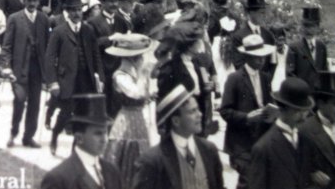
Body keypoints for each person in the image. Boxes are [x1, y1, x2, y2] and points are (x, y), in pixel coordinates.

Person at [44, 0, 105, 156]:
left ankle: (75, 149)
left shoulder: (88, 30)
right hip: (67, 80)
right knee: (65, 113)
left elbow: (96, 55)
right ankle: (55, 136)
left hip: (86, 79)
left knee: (83, 115)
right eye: (73, 10)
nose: (76, 13)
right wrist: (53, 82)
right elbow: (49, 58)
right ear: (67, 12)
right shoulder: (59, 31)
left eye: (79, 10)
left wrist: (100, 77)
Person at [132, 85, 225, 189]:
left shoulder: (209, 150)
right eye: (192, 111)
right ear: (176, 121)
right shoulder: (152, 161)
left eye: (198, 109)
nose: (199, 114)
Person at [219, 34, 277, 189]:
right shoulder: (235, 78)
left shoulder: (265, 77)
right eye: (257, 57)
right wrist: (246, 118)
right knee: (248, 180)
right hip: (241, 143)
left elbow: (267, 103)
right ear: (246, 57)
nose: (261, 60)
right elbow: (225, 111)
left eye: (263, 57)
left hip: (261, 139)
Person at [103, 33, 157, 189]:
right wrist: (143, 73)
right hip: (126, 120)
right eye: (139, 57)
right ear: (132, 59)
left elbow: (143, 94)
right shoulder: (120, 76)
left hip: (139, 118)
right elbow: (136, 93)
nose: (142, 60)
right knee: (126, 156)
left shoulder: (134, 75)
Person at [0, 0, 50, 148]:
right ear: (24, 0)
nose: (32, 3)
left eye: (35, 0)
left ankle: (28, 137)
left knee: (35, 103)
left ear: (38, 1)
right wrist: (6, 66)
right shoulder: (14, 18)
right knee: (20, 100)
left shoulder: (43, 19)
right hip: (19, 68)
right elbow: (6, 46)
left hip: (37, 68)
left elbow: (48, 46)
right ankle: (13, 133)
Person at [40, 93, 122, 189]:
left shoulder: (112, 172)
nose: (104, 139)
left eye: (106, 133)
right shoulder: (59, 178)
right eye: (98, 133)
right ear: (79, 138)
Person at [248, 77, 314, 189]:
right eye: (297, 111)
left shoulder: (305, 140)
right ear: (283, 109)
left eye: (306, 111)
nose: (303, 117)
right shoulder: (264, 147)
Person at [88, 0, 131, 117]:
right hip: (102, 68)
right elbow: (92, 45)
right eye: (110, 1)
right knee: (103, 103)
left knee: (117, 102)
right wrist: (110, 39)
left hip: (118, 67)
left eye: (116, 1)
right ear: (103, 2)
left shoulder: (121, 21)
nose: (114, 4)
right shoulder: (93, 22)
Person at [230, 0, 275, 72]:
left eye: (264, 13)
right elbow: (238, 63)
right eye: (260, 13)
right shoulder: (239, 36)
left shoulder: (268, 35)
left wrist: (266, 79)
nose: (263, 16)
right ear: (250, 13)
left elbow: (272, 61)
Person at [286, 6, 329, 86]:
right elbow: (290, 74)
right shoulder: (294, 47)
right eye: (305, 26)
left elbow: (325, 71)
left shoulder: (321, 47)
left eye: (311, 26)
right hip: (301, 93)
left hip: (319, 94)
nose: (307, 30)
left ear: (318, 27)